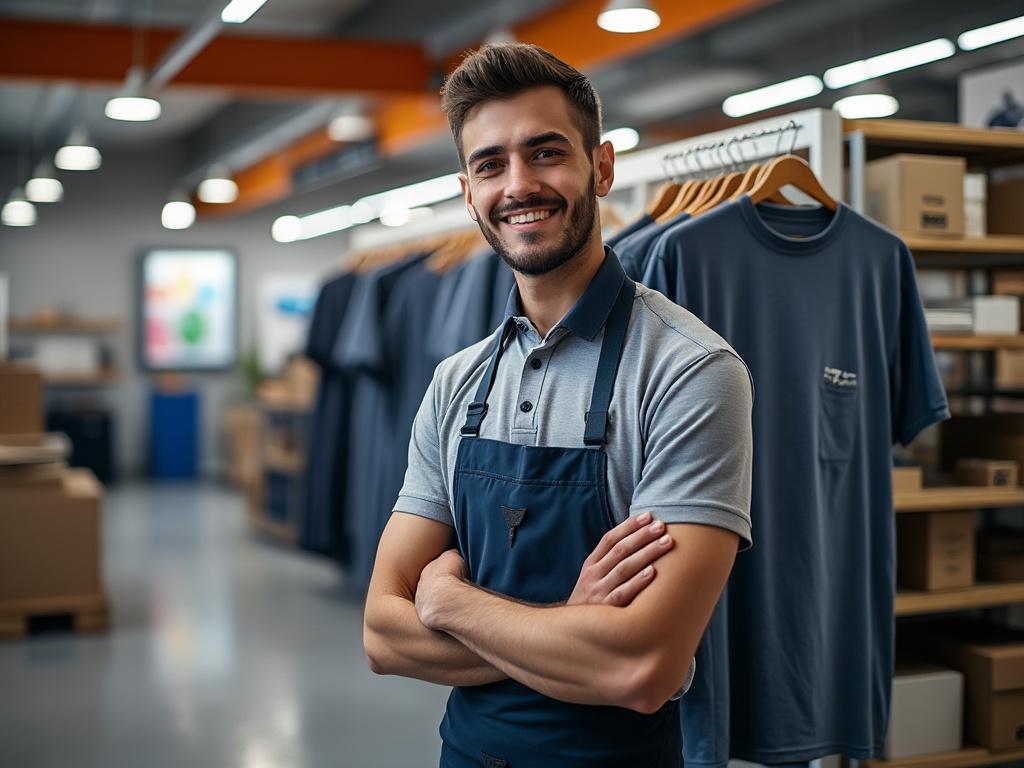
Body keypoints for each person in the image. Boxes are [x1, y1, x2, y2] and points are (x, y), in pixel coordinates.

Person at [363, 43, 753, 768]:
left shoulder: (689, 372)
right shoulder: (456, 383)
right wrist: (573, 628)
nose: (519, 185)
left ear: (600, 167)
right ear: (467, 191)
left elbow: (642, 671)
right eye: (490, 164)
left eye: (545, 153)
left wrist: (449, 605)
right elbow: (383, 636)